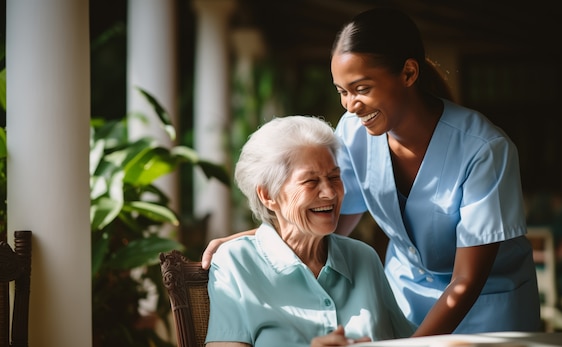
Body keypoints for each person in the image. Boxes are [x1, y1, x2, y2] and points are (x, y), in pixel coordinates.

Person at [203, 7, 540, 336]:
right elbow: (328, 220)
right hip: (402, 298)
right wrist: (249, 240)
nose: (350, 105)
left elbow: (467, 280)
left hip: (485, 308)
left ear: (408, 73)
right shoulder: (354, 131)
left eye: (362, 89)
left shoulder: (483, 149)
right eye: (342, 92)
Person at [205, 115, 416, 347]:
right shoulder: (237, 263)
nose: (330, 193)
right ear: (267, 195)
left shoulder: (363, 258)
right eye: (310, 182)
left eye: (334, 177)